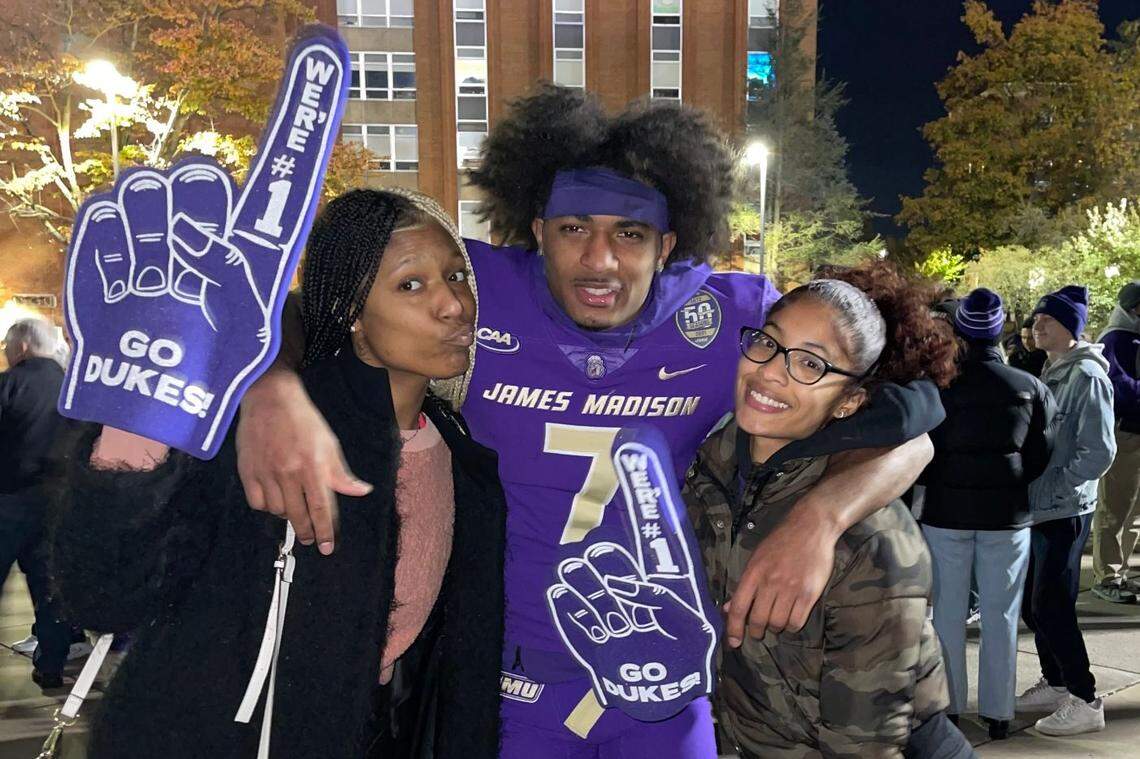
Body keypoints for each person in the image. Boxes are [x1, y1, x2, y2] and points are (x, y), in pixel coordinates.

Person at [235, 85, 942, 755]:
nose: (598, 258)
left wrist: (823, 513)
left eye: (631, 233)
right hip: (510, 679)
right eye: (574, 228)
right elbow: (299, 311)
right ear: (538, 229)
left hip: (662, 682)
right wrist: (269, 391)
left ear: (668, 245)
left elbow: (912, 420)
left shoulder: (731, 316)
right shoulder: (476, 291)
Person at [49, 190, 506, 759]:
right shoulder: (273, 434)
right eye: (411, 285)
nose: (454, 305)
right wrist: (136, 422)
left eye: (456, 276)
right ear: (352, 315)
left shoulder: (463, 457)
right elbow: (103, 593)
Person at [683, 262, 972, 758]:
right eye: (767, 342)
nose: (771, 371)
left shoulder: (871, 542)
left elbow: (866, 746)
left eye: (811, 364)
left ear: (848, 402)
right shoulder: (705, 476)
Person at [917, 288, 1055, 739]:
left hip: (946, 512)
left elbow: (923, 451)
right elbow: (1041, 454)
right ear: (999, 333)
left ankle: (949, 707)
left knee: (948, 616)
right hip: (1006, 515)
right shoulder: (1030, 387)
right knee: (1001, 615)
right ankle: (998, 711)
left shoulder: (940, 387)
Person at [1016, 284, 1116, 736]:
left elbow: (1098, 452)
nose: (1037, 325)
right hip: (1042, 505)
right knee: (1033, 606)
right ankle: (1056, 681)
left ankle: (1084, 697)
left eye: (1048, 320)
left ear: (1070, 329)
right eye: (1037, 318)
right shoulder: (1052, 369)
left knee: (1051, 605)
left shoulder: (1087, 377)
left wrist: (1055, 483)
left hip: (1064, 507)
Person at [0, 317, 76, 689]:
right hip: (57, 505)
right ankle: (51, 667)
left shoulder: (8, 384)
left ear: (24, 346)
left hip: (8, 502)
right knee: (50, 588)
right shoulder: (73, 389)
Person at [1091, 281, 1140, 604]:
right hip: (1125, 434)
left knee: (1134, 514)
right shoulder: (1114, 339)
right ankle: (1108, 576)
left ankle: (1120, 572)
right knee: (1114, 510)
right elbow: (1119, 387)